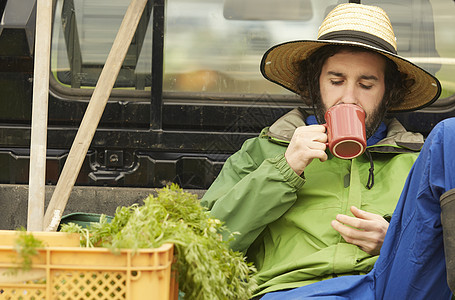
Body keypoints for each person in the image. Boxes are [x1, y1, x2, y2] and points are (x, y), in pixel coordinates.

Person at [201, 2, 454, 299]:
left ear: (388, 92)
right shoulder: (262, 152)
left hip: (390, 287)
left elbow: (434, 261)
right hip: (294, 291)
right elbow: (206, 244)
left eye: (366, 85)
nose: (349, 98)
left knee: (450, 134)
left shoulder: (419, 162)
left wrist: (394, 240)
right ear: (315, 85)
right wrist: (284, 168)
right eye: (336, 81)